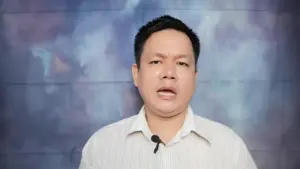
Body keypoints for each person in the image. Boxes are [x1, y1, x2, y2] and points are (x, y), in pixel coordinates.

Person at [79, 15, 258, 169]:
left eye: (181, 63)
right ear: (136, 74)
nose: (169, 74)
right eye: (156, 62)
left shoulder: (229, 148)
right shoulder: (101, 147)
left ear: (194, 77)